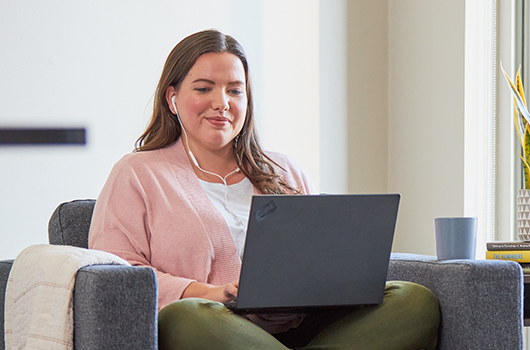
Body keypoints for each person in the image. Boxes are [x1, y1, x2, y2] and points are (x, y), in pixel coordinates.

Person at [89, 29, 440, 350]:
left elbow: (320, 256)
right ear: (173, 98)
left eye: (234, 90)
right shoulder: (137, 173)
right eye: (203, 88)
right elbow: (119, 274)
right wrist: (211, 293)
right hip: (212, 327)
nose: (222, 102)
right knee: (186, 316)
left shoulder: (284, 169)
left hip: (306, 326)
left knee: (413, 299)